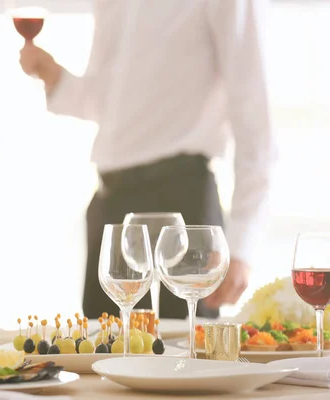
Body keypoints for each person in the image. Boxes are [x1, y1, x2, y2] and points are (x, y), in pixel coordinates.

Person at [19, 1, 276, 319]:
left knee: (186, 361)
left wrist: (242, 246)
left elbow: (254, 114)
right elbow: (109, 102)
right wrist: (55, 77)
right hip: (112, 206)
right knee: (105, 357)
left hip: (184, 202)